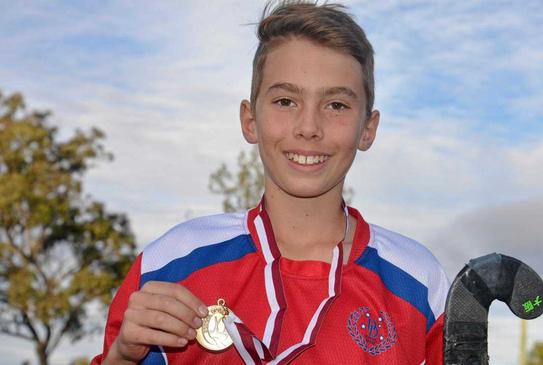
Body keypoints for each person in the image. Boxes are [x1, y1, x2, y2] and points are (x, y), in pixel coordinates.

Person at [91, 1, 449, 364]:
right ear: (250, 120)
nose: (308, 127)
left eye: (336, 105)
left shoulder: (417, 284)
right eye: (285, 101)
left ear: (368, 129)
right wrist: (121, 357)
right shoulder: (171, 265)